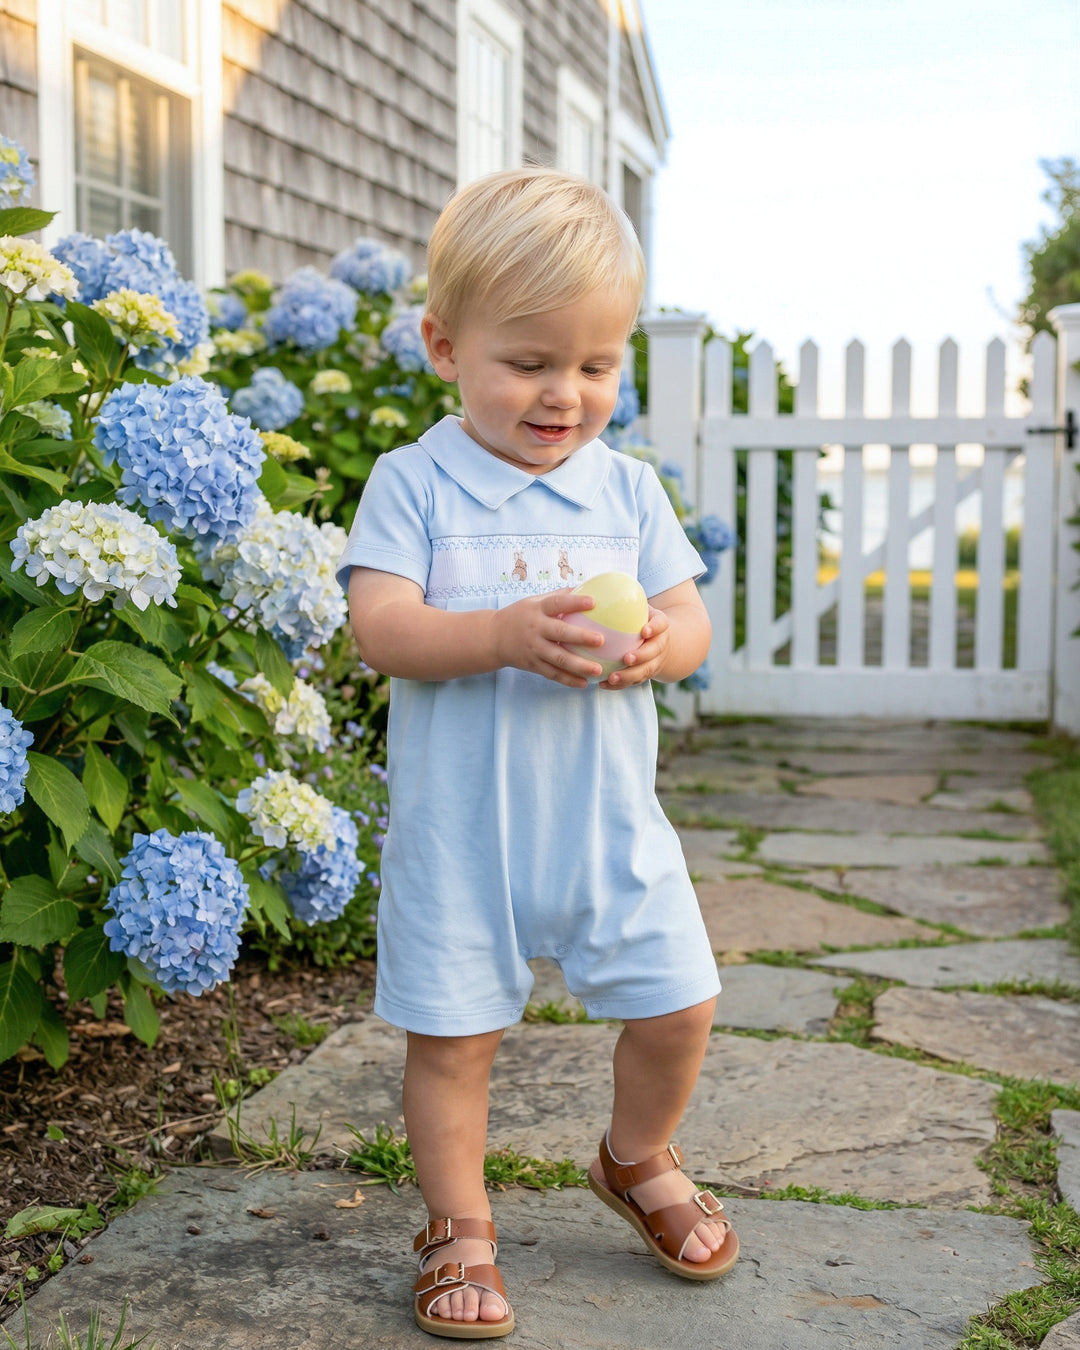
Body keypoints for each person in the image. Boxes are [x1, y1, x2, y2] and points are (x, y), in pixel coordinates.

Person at [337, 166, 738, 1340]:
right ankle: (458, 1226)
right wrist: (506, 633)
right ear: (446, 347)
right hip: (465, 835)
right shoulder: (415, 483)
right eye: (530, 362)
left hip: (607, 825)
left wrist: (658, 646)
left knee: (681, 1004)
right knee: (455, 1041)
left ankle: (635, 1153)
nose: (565, 393)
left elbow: (693, 623)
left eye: (597, 365)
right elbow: (382, 629)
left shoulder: (628, 491)